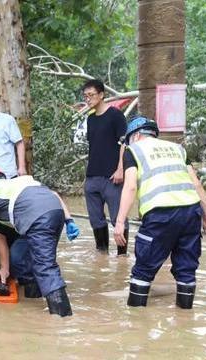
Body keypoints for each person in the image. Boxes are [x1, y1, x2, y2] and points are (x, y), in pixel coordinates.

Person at [113, 116, 206, 309]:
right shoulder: (178, 149)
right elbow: (196, 184)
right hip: (190, 213)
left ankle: (135, 324)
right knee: (187, 269)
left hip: (159, 214)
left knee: (143, 269)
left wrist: (120, 222)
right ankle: (185, 319)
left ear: (135, 136)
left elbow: (129, 187)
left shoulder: (133, 150)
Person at [0, 166, 80, 317]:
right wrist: (69, 219)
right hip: (55, 212)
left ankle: (63, 318)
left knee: (45, 268)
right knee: (18, 258)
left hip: (38, 218)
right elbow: (55, 195)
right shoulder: (19, 182)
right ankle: (35, 297)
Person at [82, 79, 129, 255]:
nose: (88, 99)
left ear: (101, 95)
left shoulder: (115, 115)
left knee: (118, 218)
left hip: (112, 177)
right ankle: (101, 256)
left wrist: (120, 169)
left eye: (91, 95)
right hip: (92, 177)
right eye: (85, 96)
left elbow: (125, 143)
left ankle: (122, 256)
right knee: (96, 219)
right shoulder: (90, 119)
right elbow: (94, 147)